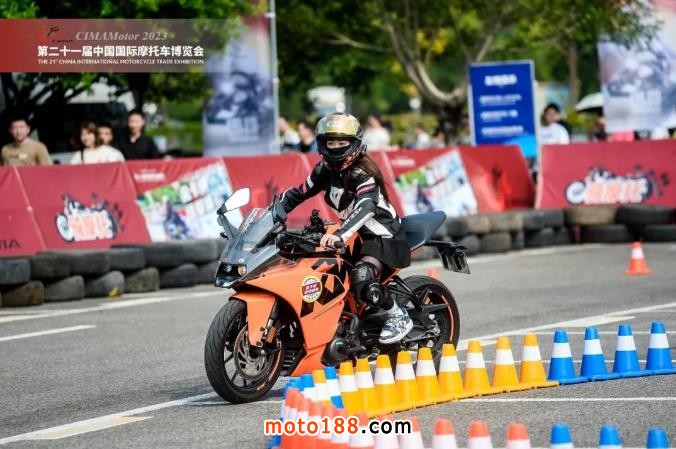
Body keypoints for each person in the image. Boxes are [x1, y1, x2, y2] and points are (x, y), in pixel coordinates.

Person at [279, 112, 413, 344]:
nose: (335, 148)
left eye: (341, 142)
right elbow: (299, 193)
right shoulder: (324, 170)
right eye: (330, 143)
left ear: (354, 144)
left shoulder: (363, 173)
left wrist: (340, 234)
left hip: (383, 237)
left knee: (361, 276)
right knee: (322, 272)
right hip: (354, 236)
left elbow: (365, 207)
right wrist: (273, 213)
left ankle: (398, 316)